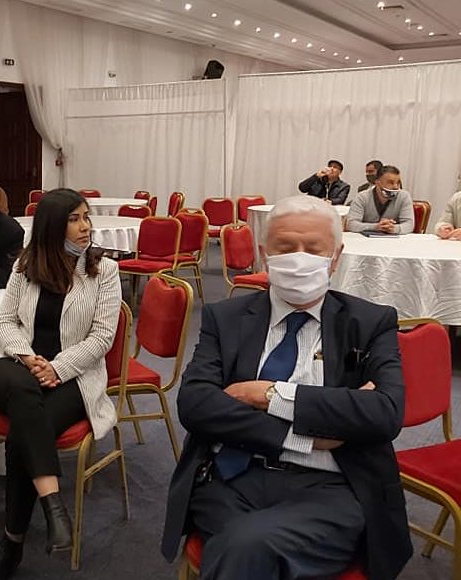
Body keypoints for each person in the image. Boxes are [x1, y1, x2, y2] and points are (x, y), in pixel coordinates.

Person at [160, 195, 412, 580]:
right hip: (232, 478)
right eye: (285, 248)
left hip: (333, 486)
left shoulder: (369, 323)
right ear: (265, 255)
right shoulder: (225, 318)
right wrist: (309, 435)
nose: (298, 259)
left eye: (313, 249)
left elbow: (384, 413)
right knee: (247, 548)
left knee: (243, 547)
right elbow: (196, 404)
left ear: (336, 257)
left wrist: (269, 395)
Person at [0, 189, 121, 580]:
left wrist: (57, 367)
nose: (85, 226)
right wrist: (26, 357)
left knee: (22, 434)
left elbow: (102, 337)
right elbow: (5, 322)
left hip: (73, 375)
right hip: (15, 367)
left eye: (86, 217)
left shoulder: (103, 271)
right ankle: (53, 504)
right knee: (23, 393)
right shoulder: (25, 266)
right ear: (52, 226)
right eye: (74, 219)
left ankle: (11, 546)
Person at [346, 165, 415, 234]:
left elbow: (409, 224)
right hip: (366, 239)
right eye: (390, 182)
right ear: (377, 182)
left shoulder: (404, 196)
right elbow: (351, 224)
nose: (396, 187)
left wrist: (393, 228)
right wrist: (375, 227)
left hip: (393, 238)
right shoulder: (362, 197)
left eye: (398, 183)